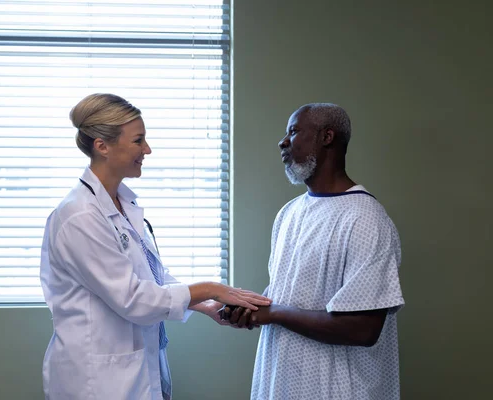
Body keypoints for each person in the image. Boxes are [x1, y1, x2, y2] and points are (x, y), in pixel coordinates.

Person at [39, 93, 271, 400]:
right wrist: (209, 289)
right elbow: (132, 299)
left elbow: (152, 278)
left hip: (129, 373)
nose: (147, 149)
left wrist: (206, 306)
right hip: (96, 382)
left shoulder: (123, 204)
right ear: (102, 146)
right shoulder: (79, 216)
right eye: (138, 141)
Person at [225, 103, 404, 399]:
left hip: (340, 391)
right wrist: (252, 309)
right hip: (282, 382)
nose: (282, 142)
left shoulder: (365, 219)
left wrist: (274, 314)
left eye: (294, 132)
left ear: (327, 137)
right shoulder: (289, 213)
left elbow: (362, 329)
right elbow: (289, 298)